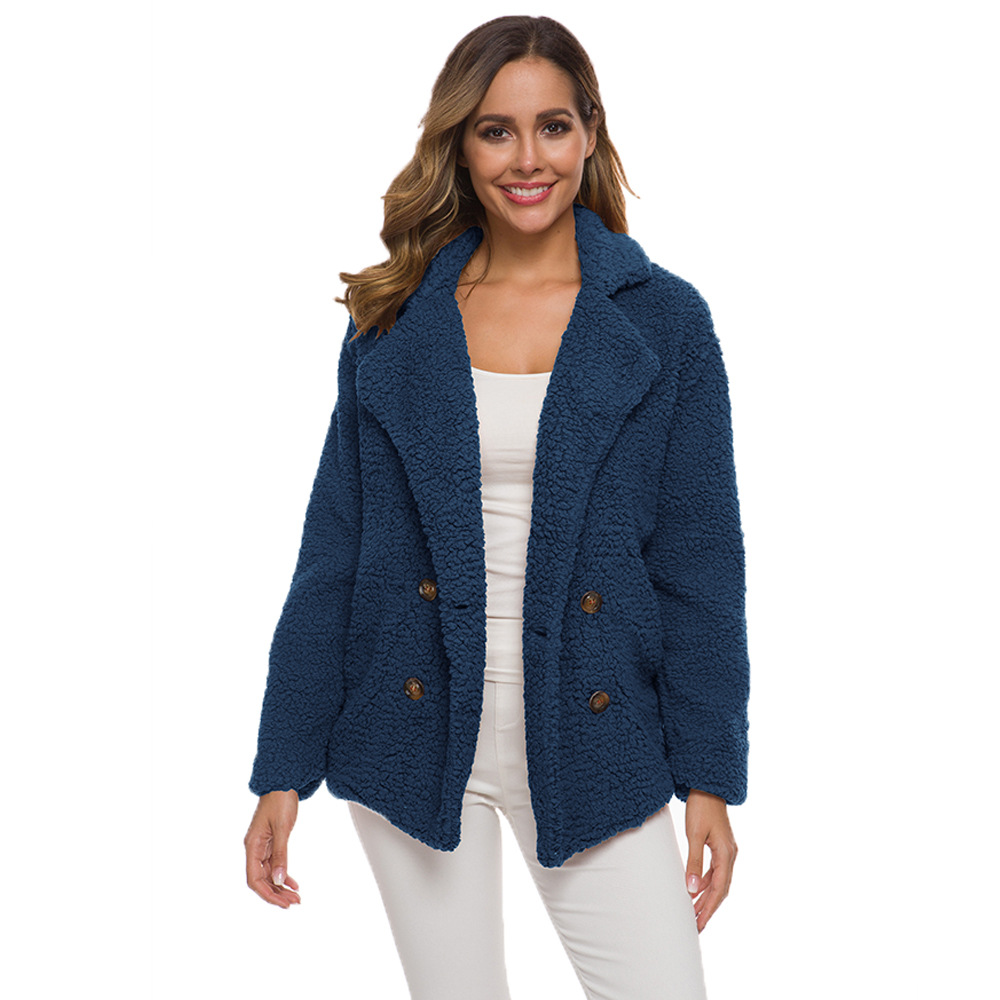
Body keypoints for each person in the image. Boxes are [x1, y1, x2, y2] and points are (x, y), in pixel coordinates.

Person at [244, 15, 750, 1000]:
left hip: (598, 740)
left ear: (590, 133)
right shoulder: (395, 319)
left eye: (552, 126)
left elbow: (699, 564)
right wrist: (281, 766)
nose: (527, 159)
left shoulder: (665, 320)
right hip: (410, 733)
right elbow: (334, 552)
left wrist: (708, 776)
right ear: (460, 146)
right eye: (495, 131)